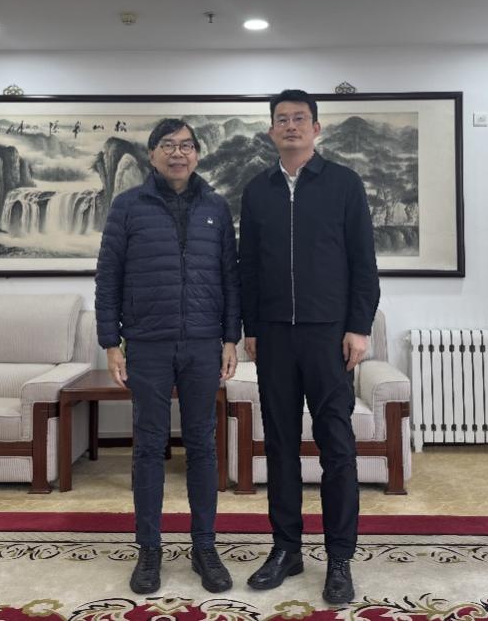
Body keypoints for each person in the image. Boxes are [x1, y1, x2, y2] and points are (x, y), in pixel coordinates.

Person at [239, 90, 380, 605]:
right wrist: (251, 327)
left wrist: (358, 327)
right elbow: (248, 266)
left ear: (317, 128)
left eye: (300, 118)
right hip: (274, 335)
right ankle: (286, 549)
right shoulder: (257, 190)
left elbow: (363, 262)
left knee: (336, 448)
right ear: (271, 131)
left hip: (328, 335)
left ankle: (339, 558)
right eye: (282, 120)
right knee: (279, 446)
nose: (291, 126)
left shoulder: (344, 183)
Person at [95, 118, 240, 595]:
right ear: (152, 153)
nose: (178, 153)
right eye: (168, 145)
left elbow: (230, 277)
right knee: (148, 446)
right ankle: (149, 549)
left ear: (197, 153)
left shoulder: (216, 206)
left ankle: (204, 547)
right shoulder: (127, 206)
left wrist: (230, 338)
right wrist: (111, 343)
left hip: (202, 343)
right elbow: (108, 276)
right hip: (148, 343)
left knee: (202, 446)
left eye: (187, 146)